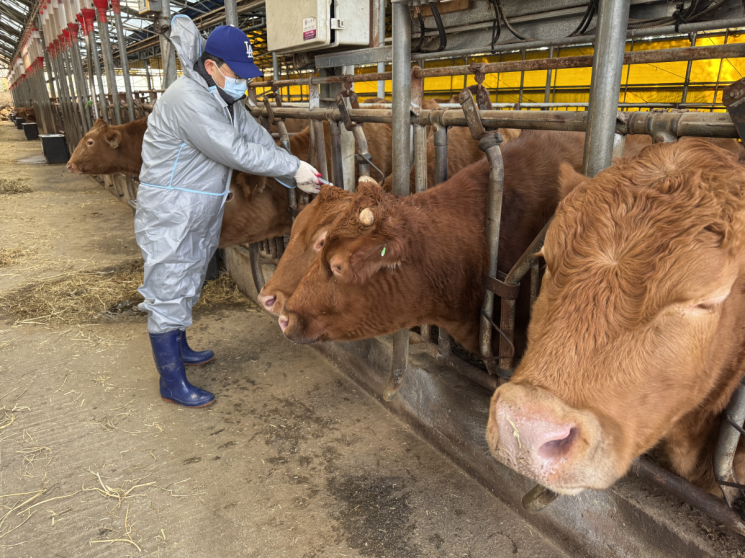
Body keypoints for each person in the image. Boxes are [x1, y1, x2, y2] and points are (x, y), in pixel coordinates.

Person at [135, 16, 321, 408]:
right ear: (212, 67)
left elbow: (255, 139)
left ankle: (180, 349)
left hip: (201, 205)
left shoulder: (225, 99)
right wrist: (291, 168)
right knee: (169, 283)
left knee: (188, 276)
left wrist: (296, 173)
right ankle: (171, 382)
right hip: (171, 209)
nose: (245, 82)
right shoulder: (188, 99)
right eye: (238, 74)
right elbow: (234, 151)